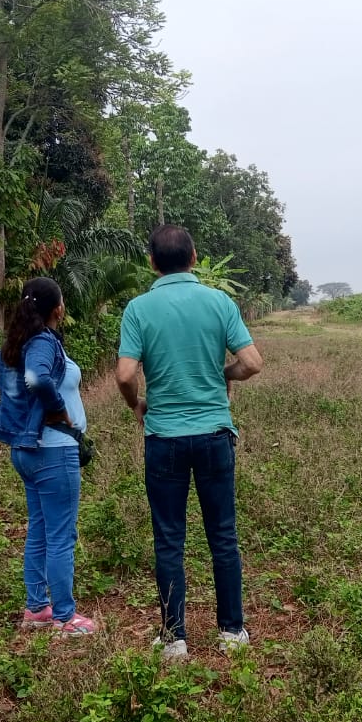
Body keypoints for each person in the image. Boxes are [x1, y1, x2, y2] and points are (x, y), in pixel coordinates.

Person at [115, 224, 264, 658]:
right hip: (215, 434)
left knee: (168, 539)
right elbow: (252, 363)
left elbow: (124, 374)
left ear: (151, 263)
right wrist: (223, 374)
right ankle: (231, 631)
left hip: (164, 439)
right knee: (223, 535)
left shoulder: (138, 309)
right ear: (194, 257)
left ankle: (173, 638)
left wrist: (137, 404)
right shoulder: (219, 302)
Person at [0, 277, 96, 636]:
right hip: (53, 450)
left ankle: (36, 608)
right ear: (58, 309)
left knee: (40, 530)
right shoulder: (43, 342)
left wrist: (22, 404)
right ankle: (65, 617)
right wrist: (56, 409)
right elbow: (36, 378)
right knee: (61, 535)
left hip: (27, 451)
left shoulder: (18, 341)